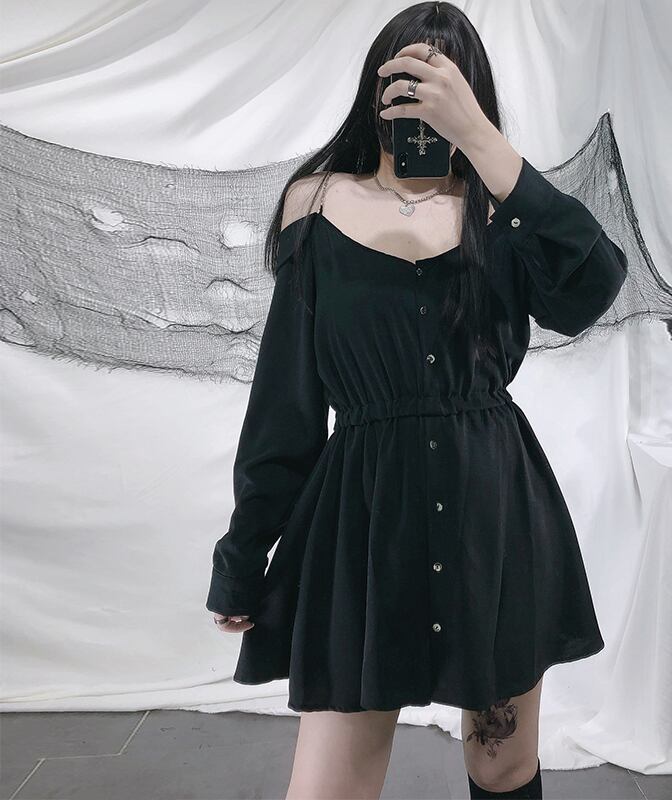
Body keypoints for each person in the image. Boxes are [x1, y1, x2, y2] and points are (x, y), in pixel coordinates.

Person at [206, 3, 627, 798]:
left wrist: (485, 144)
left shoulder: (504, 211)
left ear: (473, 96)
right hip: (362, 524)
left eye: (445, 86)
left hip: (491, 516)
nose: (422, 101)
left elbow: (594, 287)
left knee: (501, 765)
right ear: (376, 89)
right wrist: (244, 553)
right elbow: (285, 403)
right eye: (406, 79)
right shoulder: (316, 205)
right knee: (327, 786)